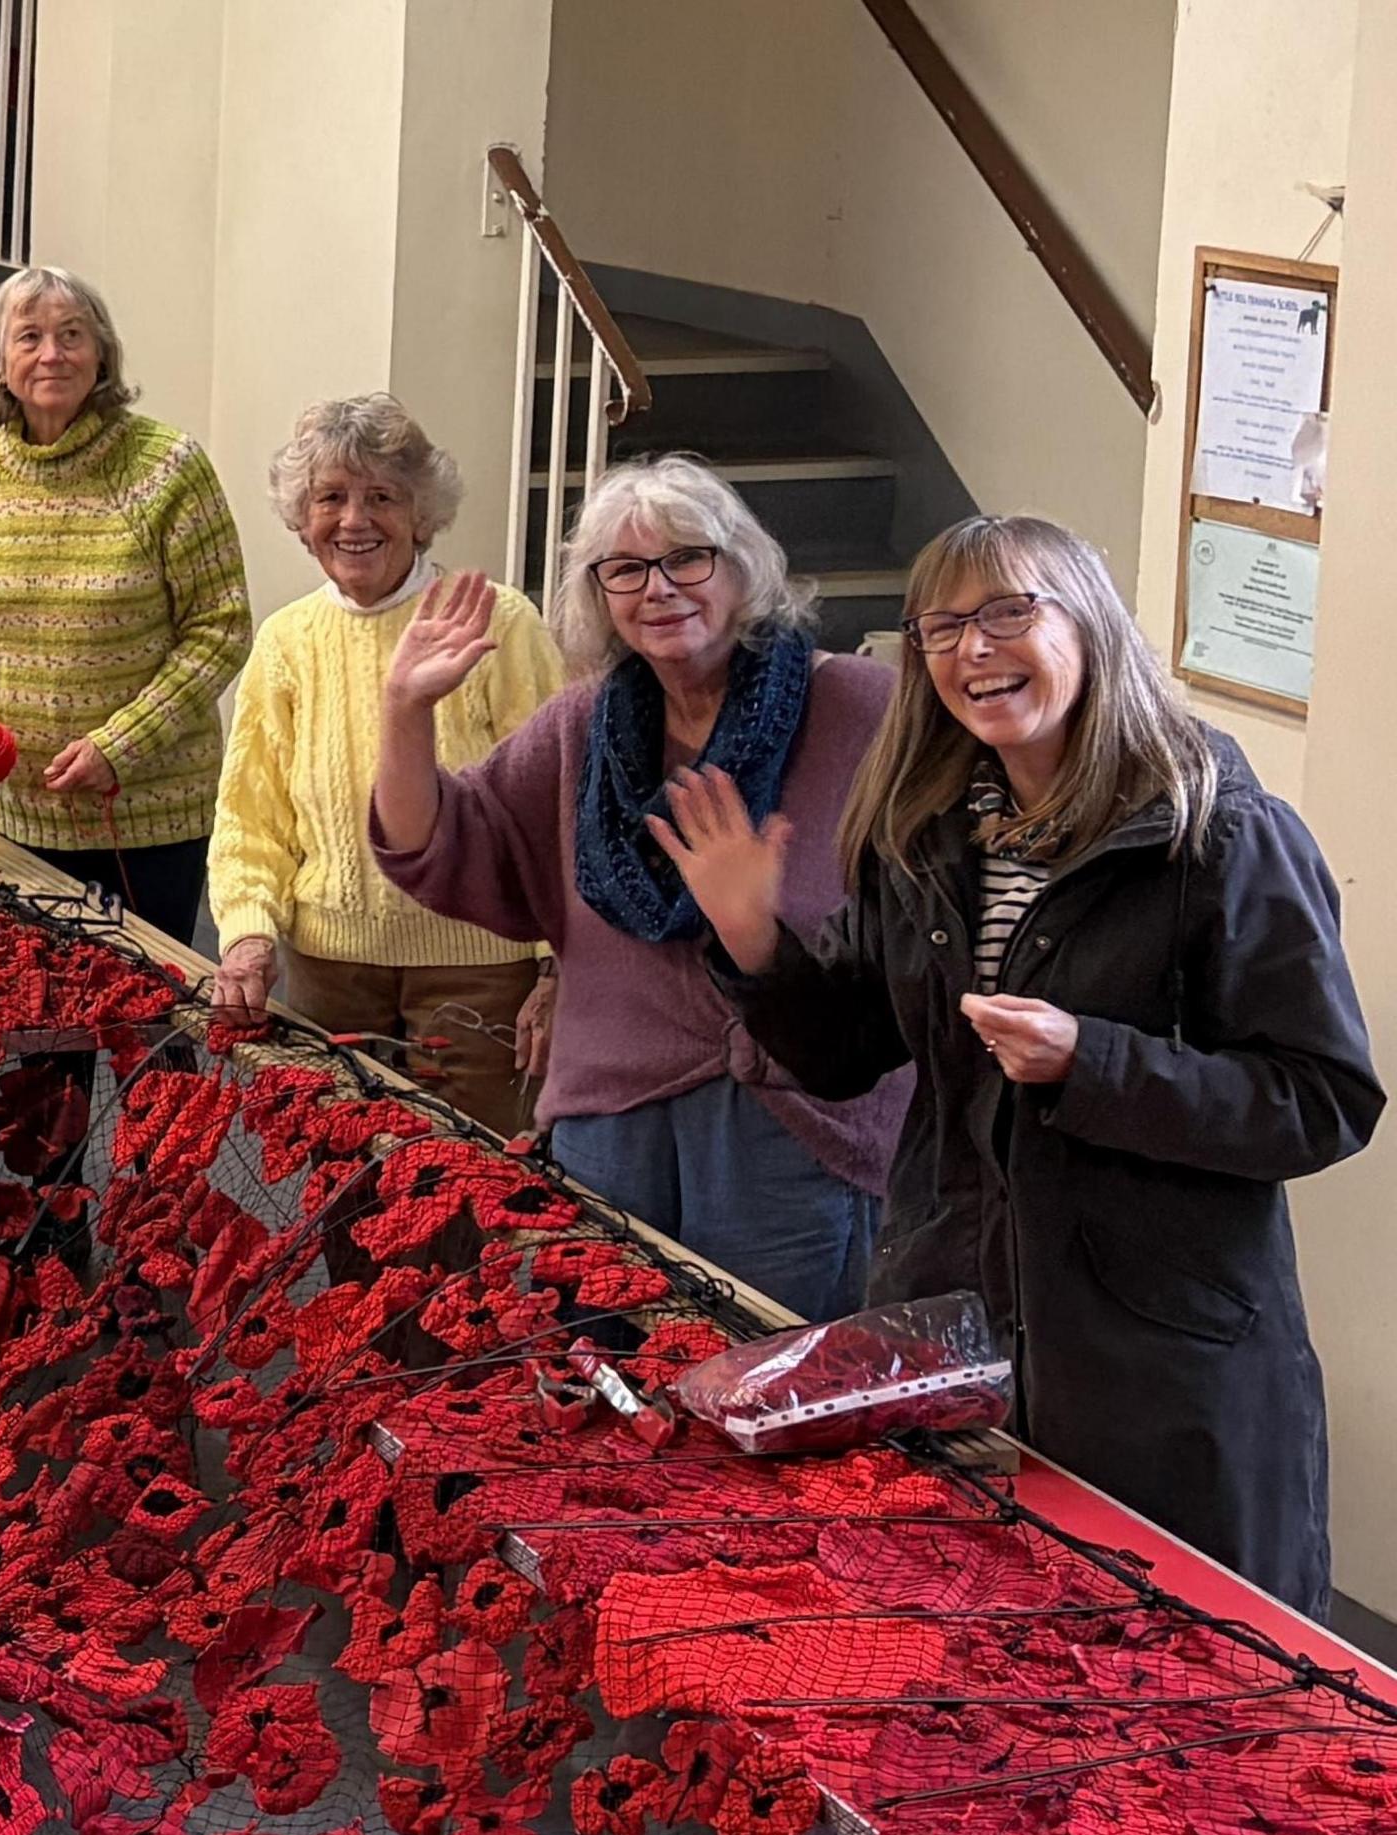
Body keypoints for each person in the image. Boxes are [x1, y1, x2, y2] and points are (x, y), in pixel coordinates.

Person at [656, 516, 1378, 1615]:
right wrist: (754, 941)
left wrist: (1096, 1062)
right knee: (972, 1688)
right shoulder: (927, 833)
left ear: (1088, 624)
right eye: (941, 626)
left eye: (1009, 611)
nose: (973, 648)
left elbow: (1321, 1100)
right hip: (955, 1335)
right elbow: (846, 1051)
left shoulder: (1219, 830)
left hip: (1155, 1366)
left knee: (1173, 1701)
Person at [371, 455, 908, 1321]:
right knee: (607, 1384)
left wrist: (761, 922)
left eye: (687, 558)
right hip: (610, 1120)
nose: (658, 588)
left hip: (792, 1122)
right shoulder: (580, 727)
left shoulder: (861, 707)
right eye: (624, 569)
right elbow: (437, 846)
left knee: (766, 1395)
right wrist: (405, 711)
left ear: (742, 567)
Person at [202, 394, 559, 1133]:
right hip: (328, 971)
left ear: (423, 515)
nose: (354, 520)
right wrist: (245, 936)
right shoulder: (286, 640)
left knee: (458, 1187)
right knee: (338, 1182)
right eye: (330, 497)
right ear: (303, 521)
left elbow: (560, 810)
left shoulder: (498, 621)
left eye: (383, 497)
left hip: (479, 976)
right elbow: (250, 819)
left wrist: (561, 967)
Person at [0, 269, 249, 938]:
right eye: (29, 337)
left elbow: (221, 628)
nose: (52, 354)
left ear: (102, 354)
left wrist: (120, 745)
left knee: (154, 1020)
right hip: (18, 806)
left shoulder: (166, 465)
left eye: (72, 335)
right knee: (44, 1015)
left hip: (149, 809)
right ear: (1, 364)